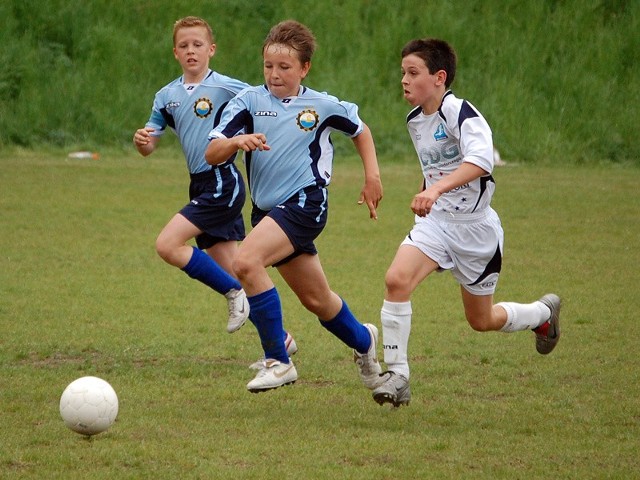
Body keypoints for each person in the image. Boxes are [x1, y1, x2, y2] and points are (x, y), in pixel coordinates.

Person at [372, 38, 561, 407]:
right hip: (437, 224)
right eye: (402, 73)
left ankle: (542, 313)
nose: (404, 81)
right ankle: (398, 375)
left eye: (413, 73)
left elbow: (481, 161)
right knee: (396, 279)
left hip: (476, 231)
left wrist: (436, 189)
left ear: (439, 77)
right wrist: (427, 192)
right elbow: (436, 166)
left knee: (482, 320)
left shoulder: (462, 113)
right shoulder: (415, 120)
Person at [205, 20, 384, 393]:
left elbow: (360, 129)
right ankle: (365, 343)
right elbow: (212, 151)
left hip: (306, 202)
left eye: (285, 67)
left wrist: (373, 177)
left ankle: (278, 360)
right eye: (269, 66)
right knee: (318, 300)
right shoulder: (248, 102)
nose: (274, 74)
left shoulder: (321, 104)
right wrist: (238, 142)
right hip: (267, 212)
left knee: (245, 262)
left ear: (304, 68)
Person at [132, 16, 298, 360]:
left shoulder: (229, 88)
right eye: (183, 45)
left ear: (211, 49)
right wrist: (142, 141)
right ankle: (279, 339)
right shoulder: (166, 96)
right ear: (175, 52)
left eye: (197, 45)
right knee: (240, 268)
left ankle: (233, 293)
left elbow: (266, 103)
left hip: (223, 180)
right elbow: (150, 144)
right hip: (199, 184)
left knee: (167, 245)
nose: (190, 51)